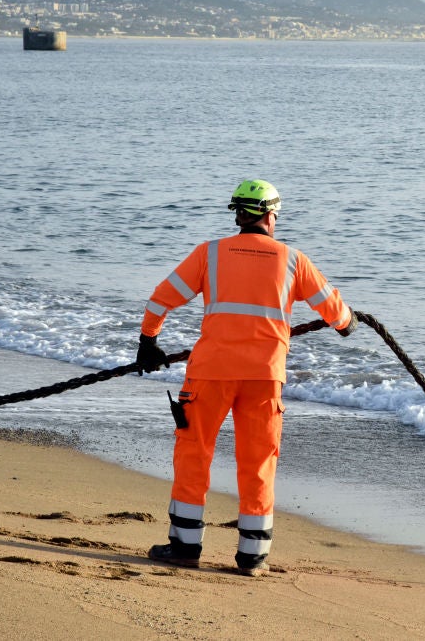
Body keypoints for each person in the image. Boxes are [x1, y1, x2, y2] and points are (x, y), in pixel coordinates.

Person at [135, 179, 357, 577]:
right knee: (258, 462)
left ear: (238, 214)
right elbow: (338, 316)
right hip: (264, 378)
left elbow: (161, 298)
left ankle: (184, 547)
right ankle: (253, 557)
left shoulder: (209, 253)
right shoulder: (293, 260)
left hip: (210, 374)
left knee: (194, 454)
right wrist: (349, 322)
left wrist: (148, 341)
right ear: (272, 216)